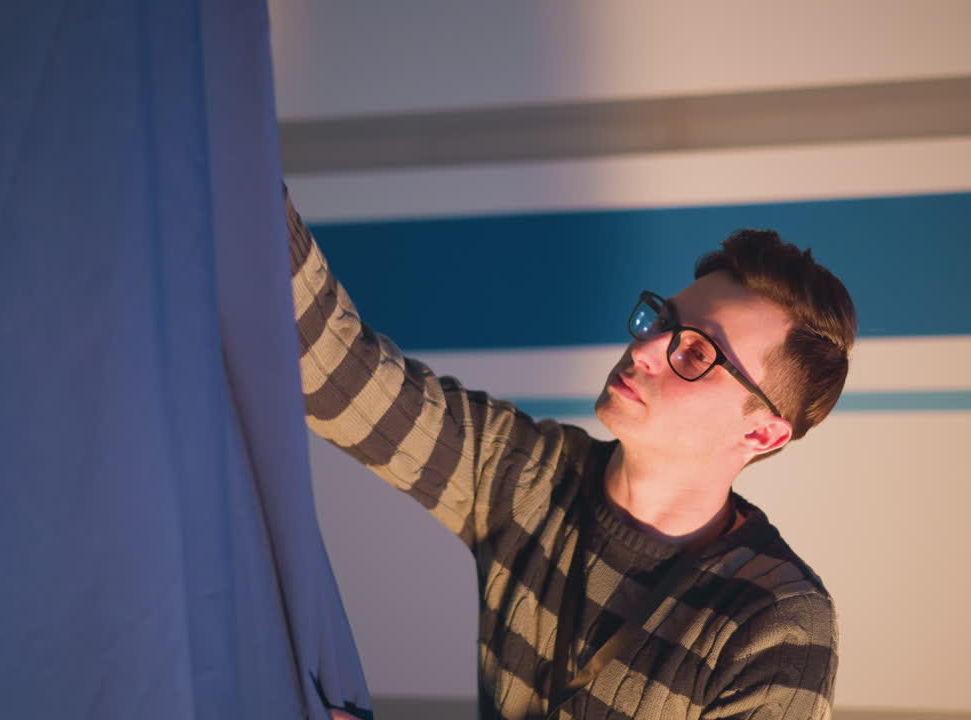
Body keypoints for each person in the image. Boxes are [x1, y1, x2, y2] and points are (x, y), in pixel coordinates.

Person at [287, 190, 855, 720]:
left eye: (697, 351)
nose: (647, 347)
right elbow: (333, 369)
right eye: (663, 321)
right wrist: (238, 157)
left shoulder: (779, 622)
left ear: (761, 435)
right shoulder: (524, 477)